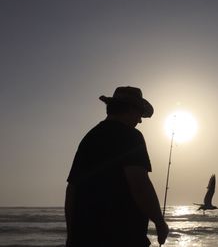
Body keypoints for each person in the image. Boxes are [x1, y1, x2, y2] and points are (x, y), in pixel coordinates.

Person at [65, 86, 169, 247]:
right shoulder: (131, 136)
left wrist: (71, 235)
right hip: (122, 236)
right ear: (130, 109)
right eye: (139, 114)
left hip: (84, 237)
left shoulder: (90, 137)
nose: (140, 120)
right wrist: (160, 223)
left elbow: (72, 189)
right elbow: (139, 184)